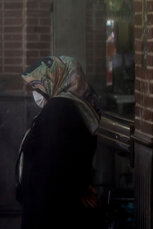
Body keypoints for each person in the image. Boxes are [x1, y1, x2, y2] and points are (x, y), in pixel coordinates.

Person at [18, 56, 102, 229]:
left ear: (56, 79)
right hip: (54, 202)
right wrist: (81, 186)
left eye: (38, 87)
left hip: (50, 208)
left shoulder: (58, 109)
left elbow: (56, 159)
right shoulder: (68, 106)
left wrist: (79, 187)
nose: (36, 93)